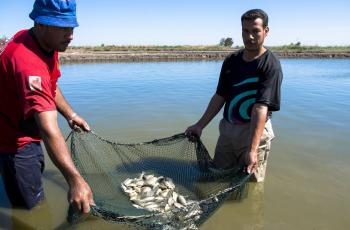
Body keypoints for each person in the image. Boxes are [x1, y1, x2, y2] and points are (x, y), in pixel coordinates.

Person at [0, 0, 94, 212]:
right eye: (62, 28)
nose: (70, 35)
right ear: (40, 24)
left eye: (71, 27)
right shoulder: (28, 64)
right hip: (15, 142)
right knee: (31, 208)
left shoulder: (41, 41)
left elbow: (49, 84)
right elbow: (49, 129)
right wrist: (75, 180)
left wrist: (70, 114)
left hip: (22, 126)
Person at [185, 9, 283, 182]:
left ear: (266, 31)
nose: (250, 36)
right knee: (218, 175)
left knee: (251, 182)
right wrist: (200, 125)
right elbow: (219, 96)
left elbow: (260, 107)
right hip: (228, 130)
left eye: (255, 31)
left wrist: (252, 150)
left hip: (254, 132)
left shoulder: (271, 65)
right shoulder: (231, 61)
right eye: (245, 31)